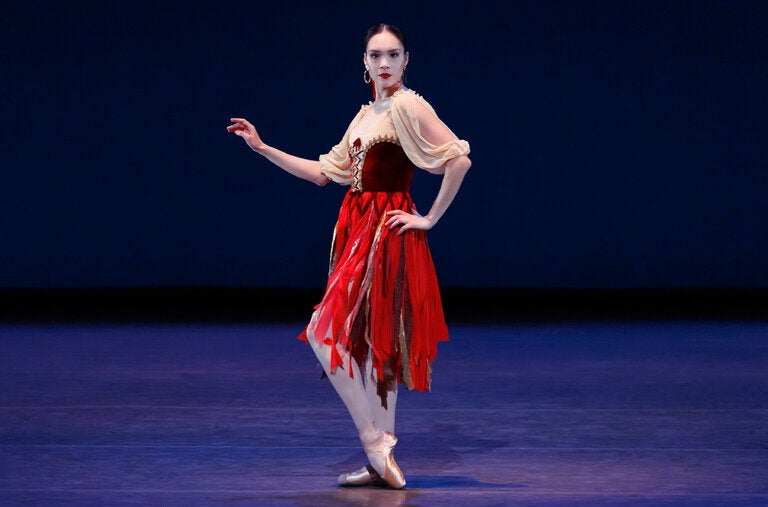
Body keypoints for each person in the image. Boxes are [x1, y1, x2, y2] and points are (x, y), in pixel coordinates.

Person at [227, 23, 471, 489]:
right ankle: (382, 463)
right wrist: (261, 148)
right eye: (375, 54)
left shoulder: (407, 104)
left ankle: (375, 442)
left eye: (392, 54)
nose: (383, 63)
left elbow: (458, 159)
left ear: (405, 60)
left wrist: (429, 219)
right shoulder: (366, 114)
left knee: (324, 330)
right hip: (358, 227)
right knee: (372, 345)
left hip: (385, 229)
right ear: (364, 62)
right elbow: (325, 172)